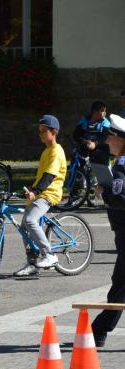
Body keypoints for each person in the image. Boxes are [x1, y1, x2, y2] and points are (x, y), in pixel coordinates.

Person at [14, 115, 67, 277]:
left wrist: (35, 192)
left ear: (54, 132)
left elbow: (49, 177)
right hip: (40, 194)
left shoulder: (56, 151)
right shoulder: (46, 151)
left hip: (49, 194)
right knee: (24, 227)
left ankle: (49, 255)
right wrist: (30, 190)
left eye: (44, 131)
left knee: (30, 220)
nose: (41, 134)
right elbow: (40, 178)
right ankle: (33, 263)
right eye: (40, 131)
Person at [92, 114, 125, 347]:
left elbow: (120, 195)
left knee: (121, 281)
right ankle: (99, 330)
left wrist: (106, 190)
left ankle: (98, 331)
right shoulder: (120, 161)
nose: (107, 140)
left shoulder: (123, 164)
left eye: (110, 136)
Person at [72, 101, 111, 165]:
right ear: (95, 112)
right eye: (102, 111)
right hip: (84, 147)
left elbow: (105, 137)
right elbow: (76, 134)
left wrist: (95, 144)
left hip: (99, 149)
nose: (105, 113)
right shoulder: (84, 120)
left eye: (105, 111)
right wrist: (83, 141)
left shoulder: (105, 123)